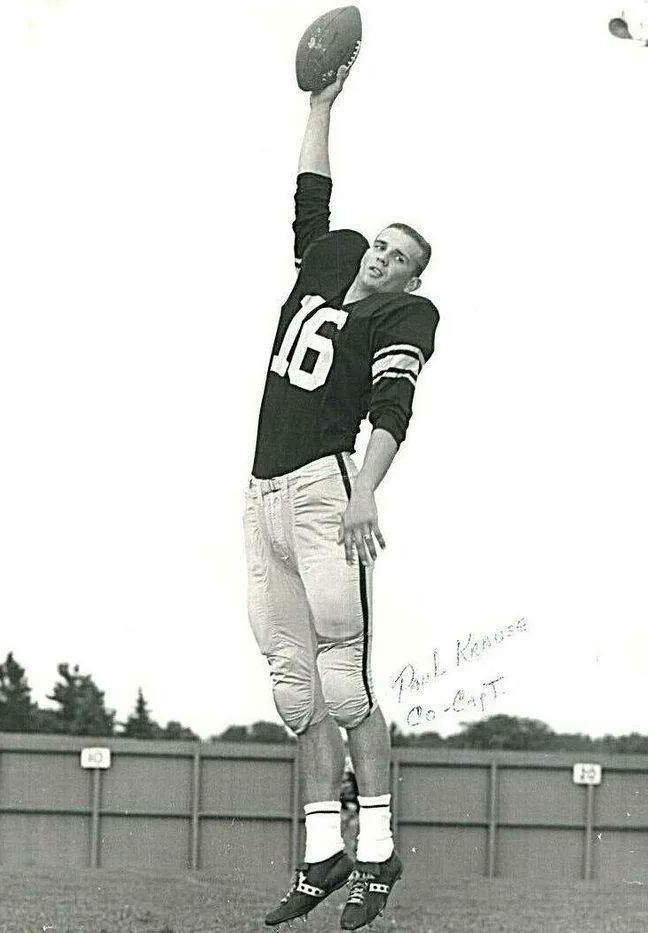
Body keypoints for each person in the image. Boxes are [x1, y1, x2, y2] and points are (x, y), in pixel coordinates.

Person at [243, 63, 439, 930]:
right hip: (261, 495)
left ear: (407, 279)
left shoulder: (401, 318)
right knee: (296, 690)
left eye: (400, 256)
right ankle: (323, 851)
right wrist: (320, 106)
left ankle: (378, 851)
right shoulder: (328, 262)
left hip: (326, 489)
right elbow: (310, 197)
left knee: (347, 682)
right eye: (383, 244)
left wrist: (366, 489)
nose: (383, 255)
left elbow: (394, 402)